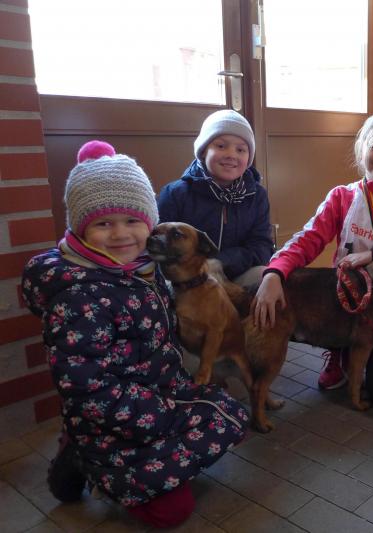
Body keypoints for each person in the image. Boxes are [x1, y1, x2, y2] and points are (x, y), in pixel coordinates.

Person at [21, 141, 249, 528]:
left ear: (150, 224)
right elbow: (85, 387)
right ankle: (78, 453)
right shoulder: (78, 297)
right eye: (103, 224)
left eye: (132, 221)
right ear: (80, 228)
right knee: (171, 512)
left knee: (232, 418)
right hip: (112, 414)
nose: (121, 235)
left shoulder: (145, 269)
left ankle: (154, 461)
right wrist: (157, 416)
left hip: (159, 392)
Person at [251, 110, 373, 415]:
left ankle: (371, 354)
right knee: (302, 300)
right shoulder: (342, 197)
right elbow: (307, 239)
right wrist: (275, 272)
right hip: (343, 301)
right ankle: (340, 351)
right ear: (361, 149)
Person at [158, 109, 274, 286]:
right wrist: (194, 268)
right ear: (204, 151)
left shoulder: (256, 195)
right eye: (221, 146)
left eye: (241, 149)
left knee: (265, 276)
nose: (231, 155)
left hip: (236, 274)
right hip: (188, 279)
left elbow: (262, 246)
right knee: (166, 287)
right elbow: (161, 244)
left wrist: (220, 262)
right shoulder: (175, 194)